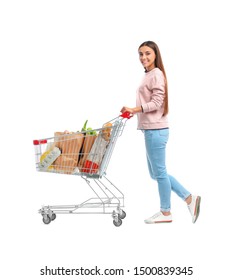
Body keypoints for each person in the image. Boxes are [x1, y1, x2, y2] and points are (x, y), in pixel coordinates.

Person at [121, 41, 201, 224]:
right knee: (156, 174)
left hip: (156, 131)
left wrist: (135, 109)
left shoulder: (156, 74)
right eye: (140, 54)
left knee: (160, 173)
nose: (143, 58)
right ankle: (190, 199)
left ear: (155, 54)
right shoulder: (149, 74)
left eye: (147, 53)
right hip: (152, 130)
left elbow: (157, 103)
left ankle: (166, 213)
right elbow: (151, 101)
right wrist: (134, 112)